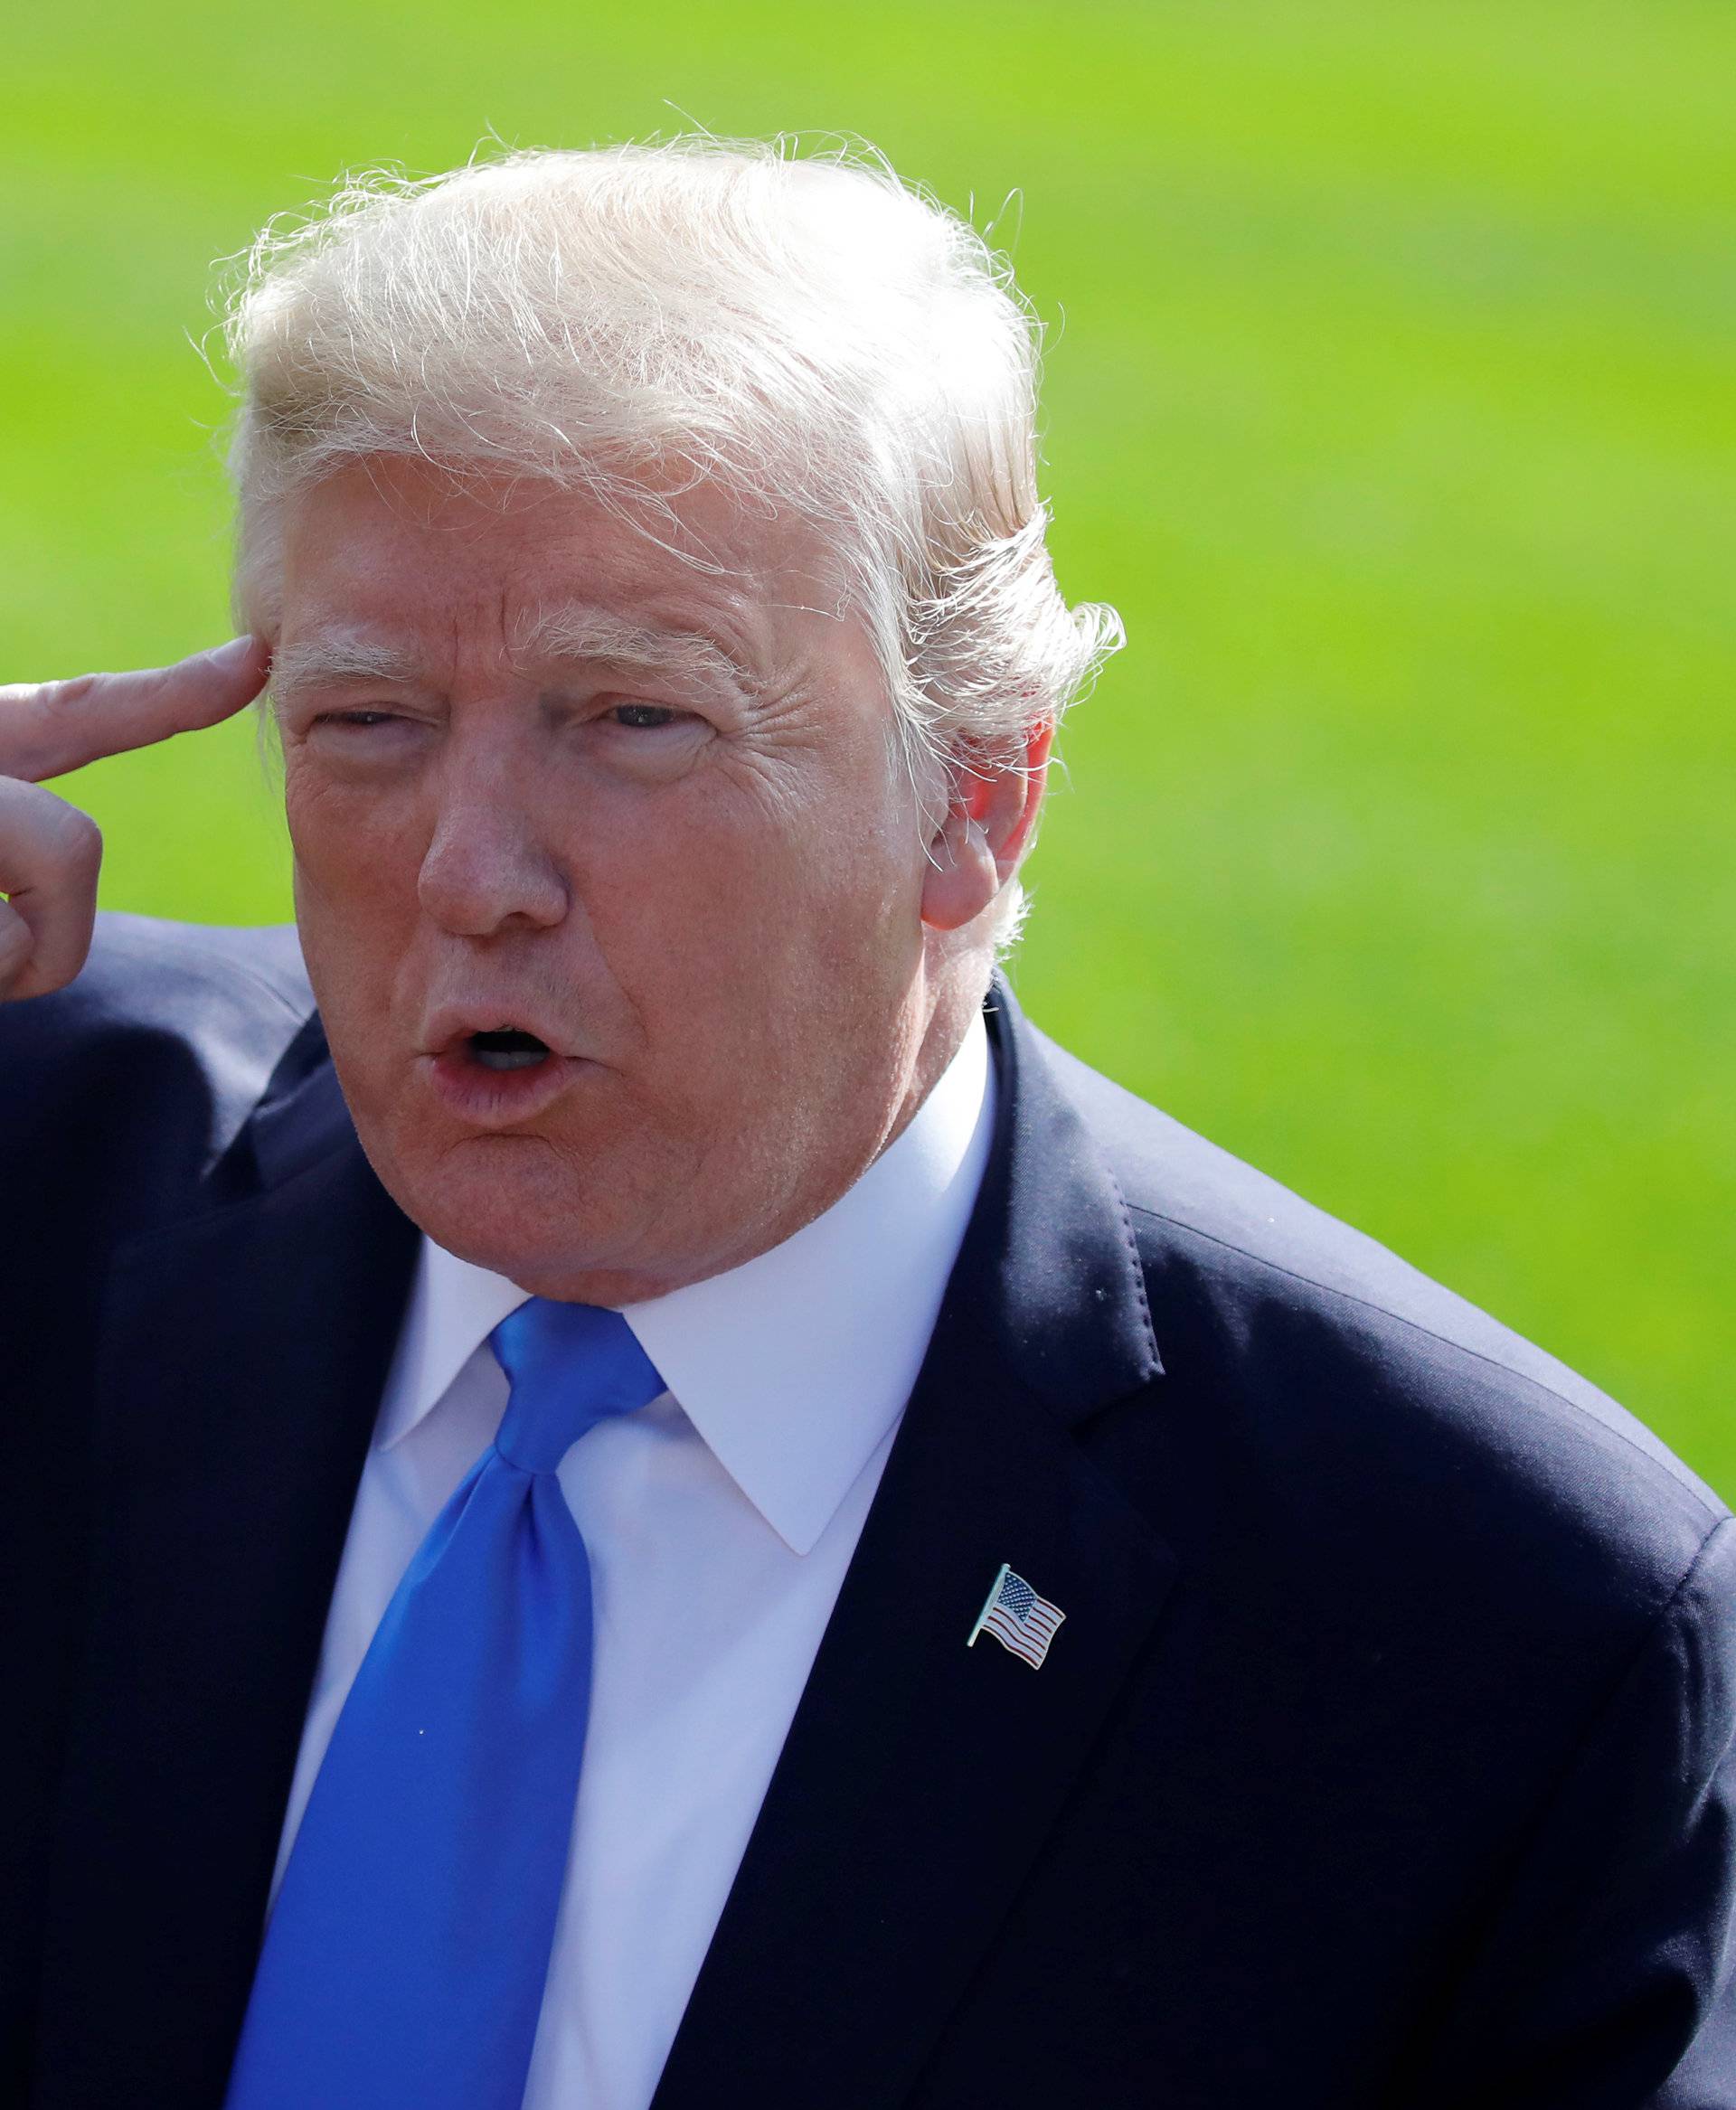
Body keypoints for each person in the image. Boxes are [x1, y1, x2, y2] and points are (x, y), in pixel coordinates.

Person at [2, 139, 1731, 2110]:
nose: (472, 872)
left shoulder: (1495, 1623)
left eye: (635, 718)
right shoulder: (37, 1160)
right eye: (367, 724)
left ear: (978, 791)